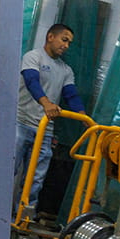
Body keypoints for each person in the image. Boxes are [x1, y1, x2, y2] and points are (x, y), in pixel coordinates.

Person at [14, 23, 85, 217]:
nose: (66, 45)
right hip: (20, 122)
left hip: (44, 130)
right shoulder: (33, 57)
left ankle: (22, 220)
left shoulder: (66, 70)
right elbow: (31, 81)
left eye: (69, 43)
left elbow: (71, 95)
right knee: (7, 169)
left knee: (35, 179)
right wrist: (46, 103)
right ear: (50, 37)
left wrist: (84, 117)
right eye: (64, 40)